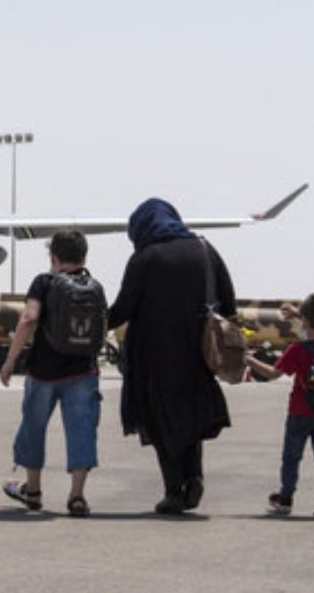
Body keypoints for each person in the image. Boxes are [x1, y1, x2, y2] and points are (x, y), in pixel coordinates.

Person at [107, 198, 235, 515]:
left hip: (154, 357)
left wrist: (84, 324)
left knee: (161, 422)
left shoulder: (145, 257)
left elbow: (123, 309)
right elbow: (228, 301)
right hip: (197, 354)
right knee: (190, 420)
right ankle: (194, 478)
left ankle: (174, 489)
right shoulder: (205, 250)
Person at [0, 230, 107, 518]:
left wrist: (10, 361)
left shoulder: (44, 282)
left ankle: (32, 491)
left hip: (43, 373)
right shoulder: (94, 286)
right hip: (83, 372)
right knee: (82, 430)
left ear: (53, 257)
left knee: (33, 427)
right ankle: (77, 497)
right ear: (84, 257)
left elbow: (29, 318)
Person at [246, 294, 314, 520]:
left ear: (306, 321)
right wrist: (300, 315)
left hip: (301, 410)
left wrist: (248, 358)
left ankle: (286, 498)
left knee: (292, 456)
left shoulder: (296, 350)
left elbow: (272, 374)